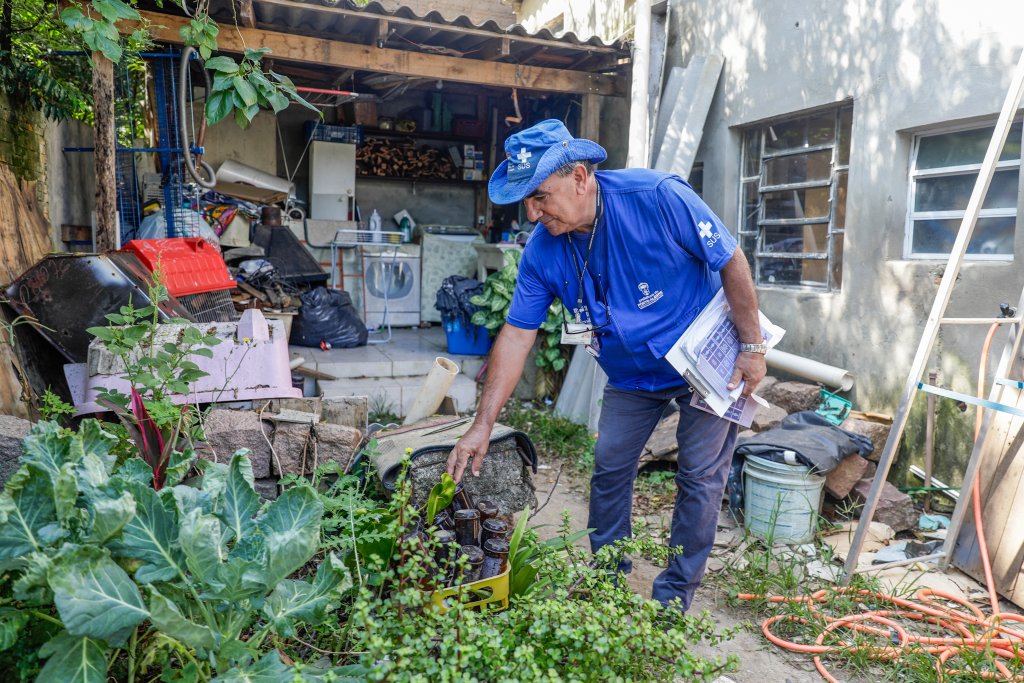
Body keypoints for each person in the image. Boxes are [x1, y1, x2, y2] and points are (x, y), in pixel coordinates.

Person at [446, 119, 766, 611]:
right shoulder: (542, 252)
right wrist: (482, 424)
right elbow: (516, 334)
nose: (532, 213)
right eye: (525, 202)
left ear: (579, 176)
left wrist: (751, 347)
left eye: (540, 197)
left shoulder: (657, 197)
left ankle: (673, 597)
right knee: (610, 467)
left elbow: (731, 259)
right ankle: (608, 582)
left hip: (706, 360)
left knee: (700, 477)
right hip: (632, 375)